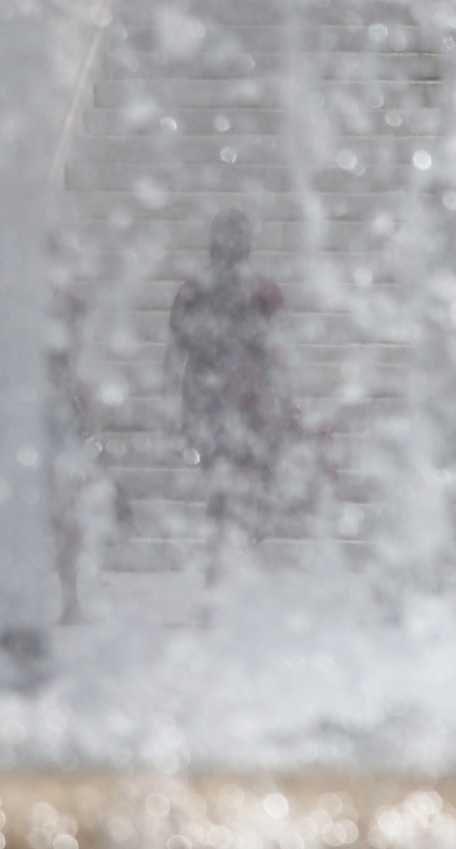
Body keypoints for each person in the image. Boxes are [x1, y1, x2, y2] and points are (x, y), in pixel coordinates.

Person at [167, 208, 297, 577]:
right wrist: (288, 401)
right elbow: (276, 353)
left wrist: (172, 406)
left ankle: (216, 572)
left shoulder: (193, 290)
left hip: (206, 398)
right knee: (253, 485)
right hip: (249, 398)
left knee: (220, 491)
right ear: (247, 245)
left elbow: (175, 354)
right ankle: (241, 564)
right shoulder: (263, 291)